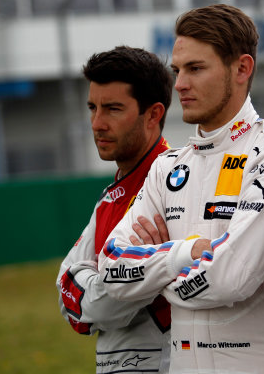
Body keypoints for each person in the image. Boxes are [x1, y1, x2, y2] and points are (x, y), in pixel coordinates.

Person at [98, 4, 264, 373]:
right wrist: (187, 253)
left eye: (195, 69)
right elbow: (111, 270)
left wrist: (154, 272)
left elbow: (229, 279)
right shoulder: (168, 167)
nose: (179, 83)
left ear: (242, 69)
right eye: (177, 70)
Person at [56, 46, 173, 373]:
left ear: (153, 114)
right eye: (93, 107)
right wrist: (95, 286)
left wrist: (88, 286)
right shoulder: (113, 193)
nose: (97, 123)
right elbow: (65, 281)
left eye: (113, 109)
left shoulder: (172, 186)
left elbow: (111, 307)